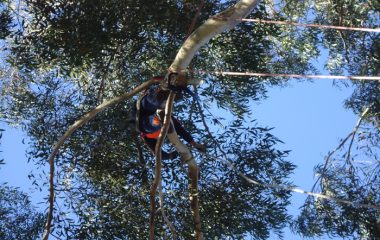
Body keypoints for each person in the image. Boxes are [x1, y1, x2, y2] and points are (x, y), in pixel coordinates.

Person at [131, 78, 206, 160]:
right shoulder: (161, 124)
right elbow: (158, 152)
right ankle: (164, 92)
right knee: (154, 105)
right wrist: (194, 144)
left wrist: (194, 145)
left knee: (157, 110)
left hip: (146, 121)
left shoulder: (166, 121)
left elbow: (180, 131)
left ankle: (164, 94)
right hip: (145, 112)